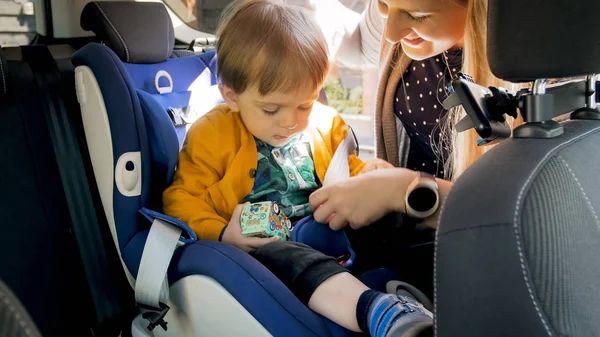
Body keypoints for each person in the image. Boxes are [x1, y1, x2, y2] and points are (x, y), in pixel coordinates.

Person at [162, 1, 433, 336]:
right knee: (281, 253)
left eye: (304, 103)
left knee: (394, 220)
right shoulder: (212, 135)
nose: (290, 121)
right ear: (231, 96)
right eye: (271, 109)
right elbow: (181, 199)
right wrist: (221, 233)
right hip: (269, 243)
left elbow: (344, 168)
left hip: (328, 226)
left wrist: (367, 175)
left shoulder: (323, 122)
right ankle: (374, 311)